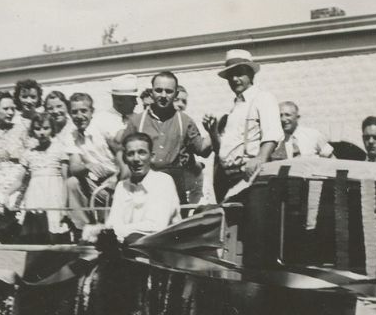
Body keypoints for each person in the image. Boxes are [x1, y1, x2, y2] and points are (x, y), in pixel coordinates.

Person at [119, 71, 210, 204]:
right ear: (151, 92)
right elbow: (123, 152)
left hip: (176, 185)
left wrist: (213, 132)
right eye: (158, 90)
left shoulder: (184, 121)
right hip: (144, 184)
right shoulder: (137, 122)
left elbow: (202, 150)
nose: (163, 96)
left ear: (176, 95)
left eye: (168, 91)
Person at [203, 49, 283, 201]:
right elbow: (223, 151)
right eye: (230, 76)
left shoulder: (263, 98)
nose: (234, 79)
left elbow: (273, 134)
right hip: (228, 178)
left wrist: (260, 158)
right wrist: (213, 131)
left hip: (251, 175)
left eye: (239, 73)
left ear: (251, 74)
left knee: (253, 223)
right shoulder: (232, 110)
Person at [106, 132, 181, 243]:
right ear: (125, 159)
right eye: (130, 154)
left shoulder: (163, 181)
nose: (136, 159)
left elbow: (156, 226)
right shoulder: (122, 186)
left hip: (162, 250)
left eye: (142, 153)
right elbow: (112, 223)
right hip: (129, 249)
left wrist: (117, 230)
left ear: (152, 157)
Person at [62, 93, 120, 228]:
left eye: (84, 111)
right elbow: (74, 167)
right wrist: (88, 165)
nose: (79, 116)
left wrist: (116, 178)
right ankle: (84, 229)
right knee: (72, 182)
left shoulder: (103, 128)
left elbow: (123, 156)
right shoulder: (72, 136)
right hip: (95, 183)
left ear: (92, 112)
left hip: (117, 180)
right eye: (74, 112)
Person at [21, 112, 70, 236]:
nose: (42, 132)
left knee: (53, 227)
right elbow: (20, 180)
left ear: (52, 129)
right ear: (32, 131)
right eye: (37, 129)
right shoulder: (29, 153)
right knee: (37, 229)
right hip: (35, 194)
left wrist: (64, 204)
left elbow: (65, 179)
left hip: (53, 192)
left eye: (46, 128)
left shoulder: (59, 149)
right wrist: (7, 194)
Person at [174, 85, 209, 204]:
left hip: (186, 176)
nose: (180, 104)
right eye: (176, 99)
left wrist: (213, 132)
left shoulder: (186, 121)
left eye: (184, 101)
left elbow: (200, 147)